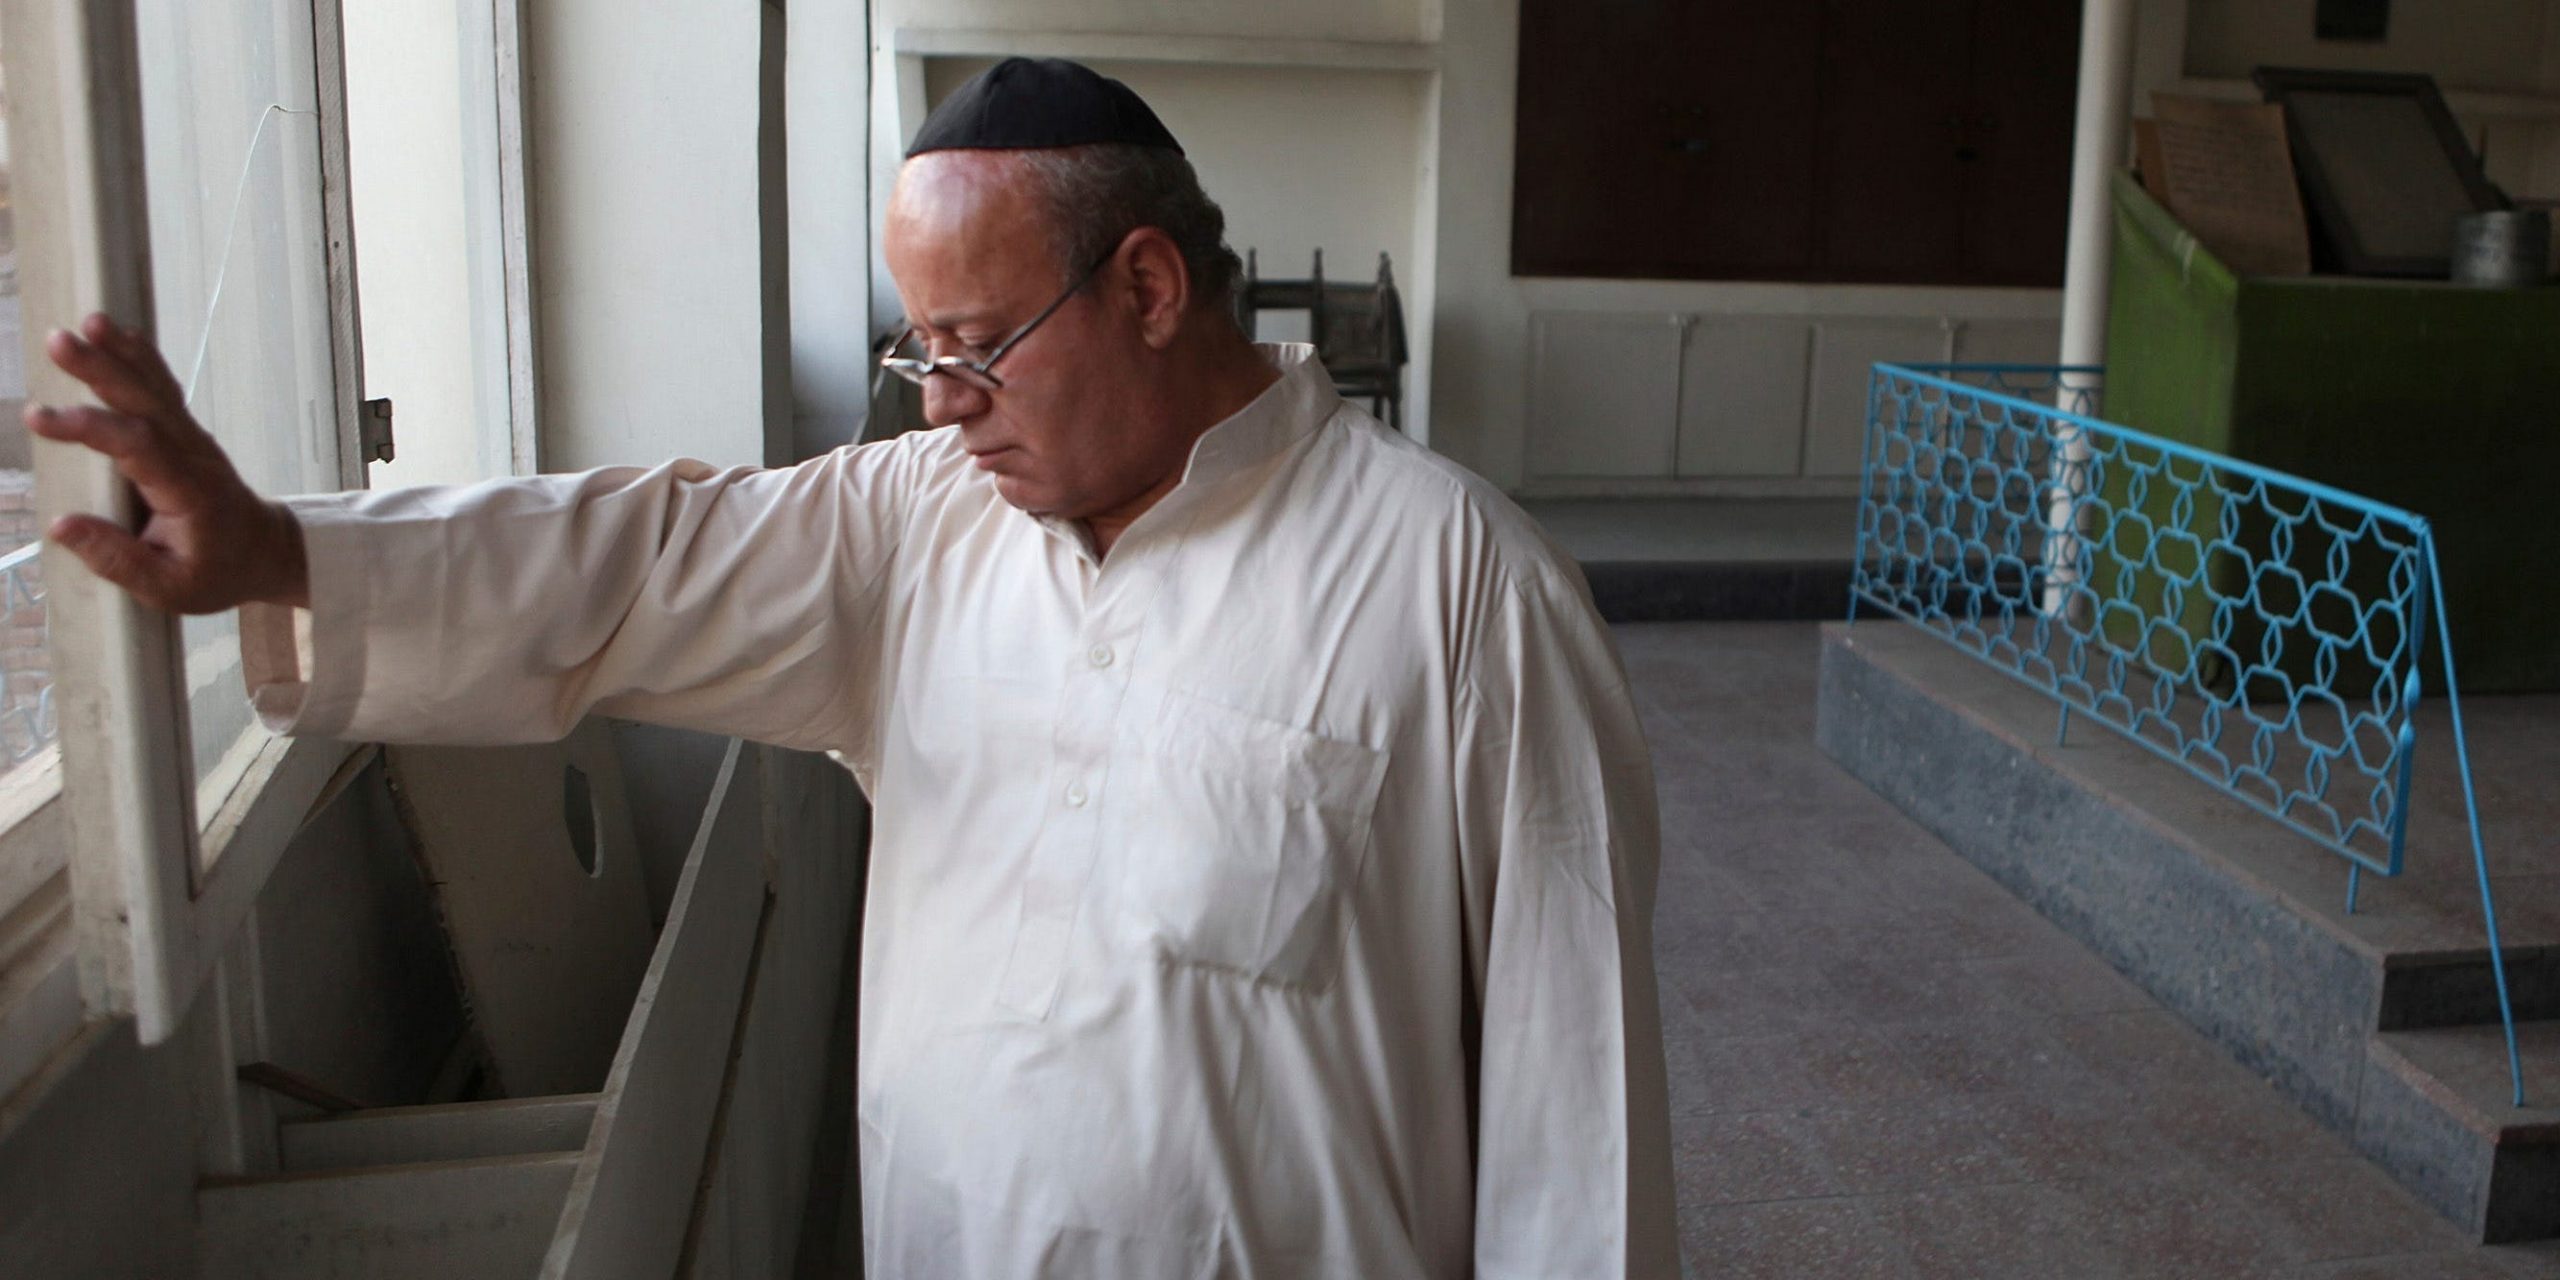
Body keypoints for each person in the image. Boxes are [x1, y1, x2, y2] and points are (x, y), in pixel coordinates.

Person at [31, 57, 1675, 1279]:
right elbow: (634, 557)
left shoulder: (1460, 589)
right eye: (921, 350)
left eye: (978, 346)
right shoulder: (916, 533)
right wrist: (284, 556)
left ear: (1152, 288)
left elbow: (1572, 1111)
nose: (941, 400)